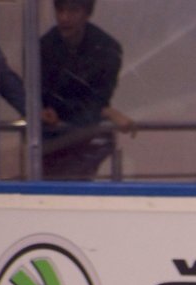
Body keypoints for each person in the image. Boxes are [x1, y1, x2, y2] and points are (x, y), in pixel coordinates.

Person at [40, 0, 135, 180]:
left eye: (73, 11)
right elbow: (44, 97)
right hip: (52, 139)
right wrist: (104, 112)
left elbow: (99, 97)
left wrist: (99, 110)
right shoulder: (43, 46)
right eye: (60, 11)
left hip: (84, 136)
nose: (64, 18)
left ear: (87, 13)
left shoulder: (107, 48)